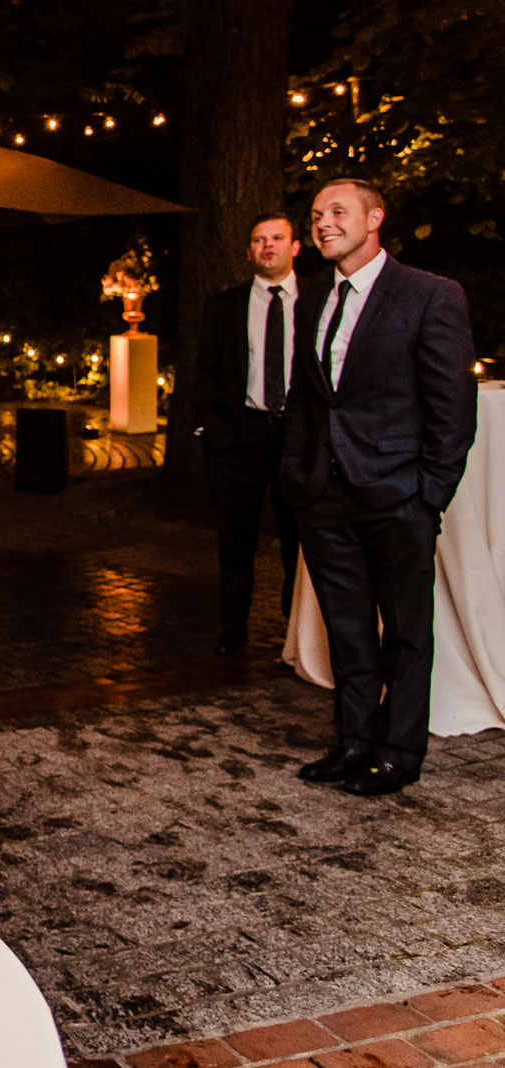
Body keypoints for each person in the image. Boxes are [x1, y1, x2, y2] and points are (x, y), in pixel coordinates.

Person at [281, 177, 477, 796]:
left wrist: (429, 494)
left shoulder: (430, 295)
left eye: (338, 211)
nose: (323, 223)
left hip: (399, 497)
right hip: (325, 495)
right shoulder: (312, 299)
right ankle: (355, 741)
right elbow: (306, 400)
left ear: (375, 219)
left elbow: (453, 408)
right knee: (347, 628)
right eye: (316, 214)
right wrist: (298, 475)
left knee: (407, 632)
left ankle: (399, 754)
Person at [193, 212, 314, 655]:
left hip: (298, 436)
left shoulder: (319, 301)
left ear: (295, 246)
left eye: (277, 238)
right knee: (235, 538)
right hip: (239, 436)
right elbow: (205, 371)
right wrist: (212, 427)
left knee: (298, 536)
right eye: (258, 240)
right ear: (249, 251)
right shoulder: (222, 306)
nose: (267, 246)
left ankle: (294, 631)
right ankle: (233, 633)